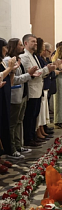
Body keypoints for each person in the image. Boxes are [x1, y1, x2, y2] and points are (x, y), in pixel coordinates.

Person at [4, 38, 40, 158]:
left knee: (19, 122)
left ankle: (19, 145)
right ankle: (12, 148)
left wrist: (28, 74)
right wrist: (29, 74)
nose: (22, 47)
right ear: (14, 47)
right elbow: (13, 81)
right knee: (12, 124)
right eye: (20, 45)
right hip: (14, 95)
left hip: (22, 94)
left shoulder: (16, 60)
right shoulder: (8, 61)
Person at [20, 34, 56, 147]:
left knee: (35, 115)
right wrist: (46, 69)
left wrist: (47, 70)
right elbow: (31, 73)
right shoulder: (24, 57)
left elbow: (38, 71)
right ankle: (28, 139)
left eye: (36, 42)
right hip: (31, 89)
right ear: (26, 43)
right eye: (32, 41)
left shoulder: (34, 56)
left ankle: (33, 136)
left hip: (38, 89)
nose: (35, 43)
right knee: (30, 116)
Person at [0, 38, 18, 171]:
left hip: (4, 95)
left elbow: (9, 81)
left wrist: (12, 71)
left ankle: (1, 158)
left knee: (3, 125)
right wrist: (10, 68)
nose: (6, 50)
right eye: (4, 47)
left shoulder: (2, 61)